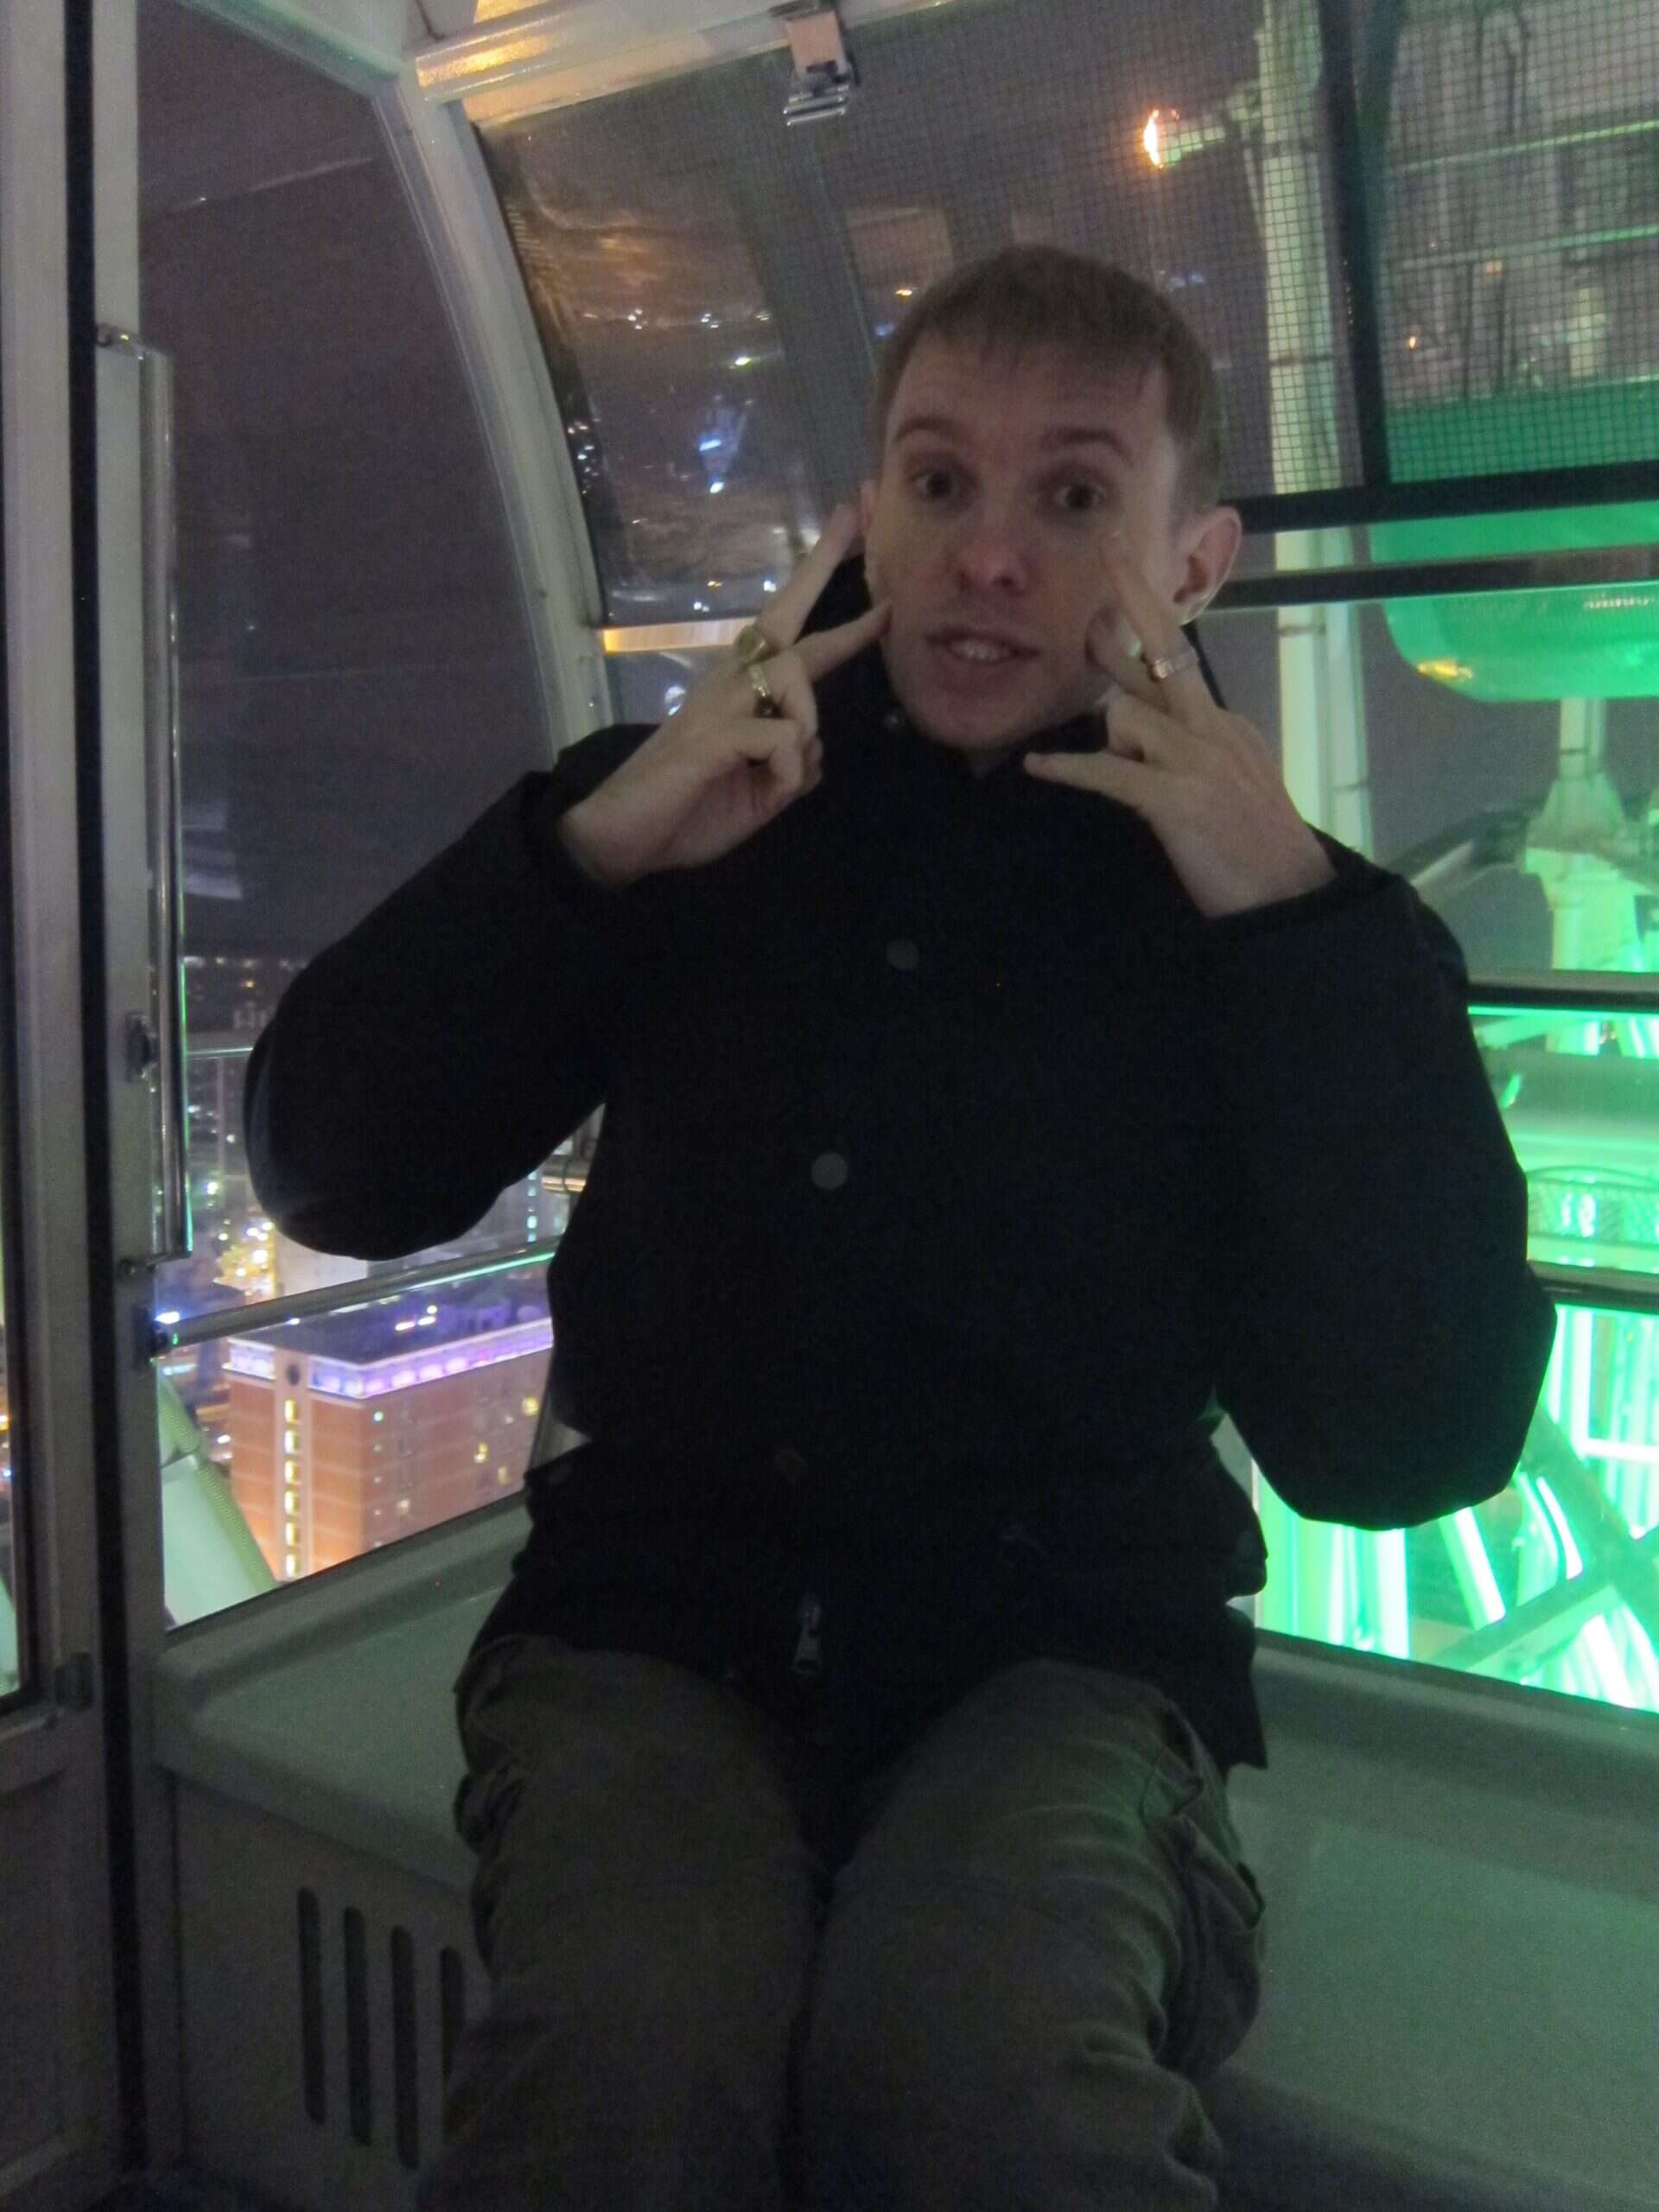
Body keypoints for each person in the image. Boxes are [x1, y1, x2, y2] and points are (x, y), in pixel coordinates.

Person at [245, 247, 1556, 2211]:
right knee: (628, 2039)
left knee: (978, 2067)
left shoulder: (1271, 926)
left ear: (1192, 562)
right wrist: (595, 848)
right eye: (941, 483)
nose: (991, 555)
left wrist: (1298, 935)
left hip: (1065, 1652)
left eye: (1075, 494)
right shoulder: (702, 808)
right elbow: (329, 1171)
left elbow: (1403, 1446)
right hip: (657, 1625)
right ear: (869, 517)